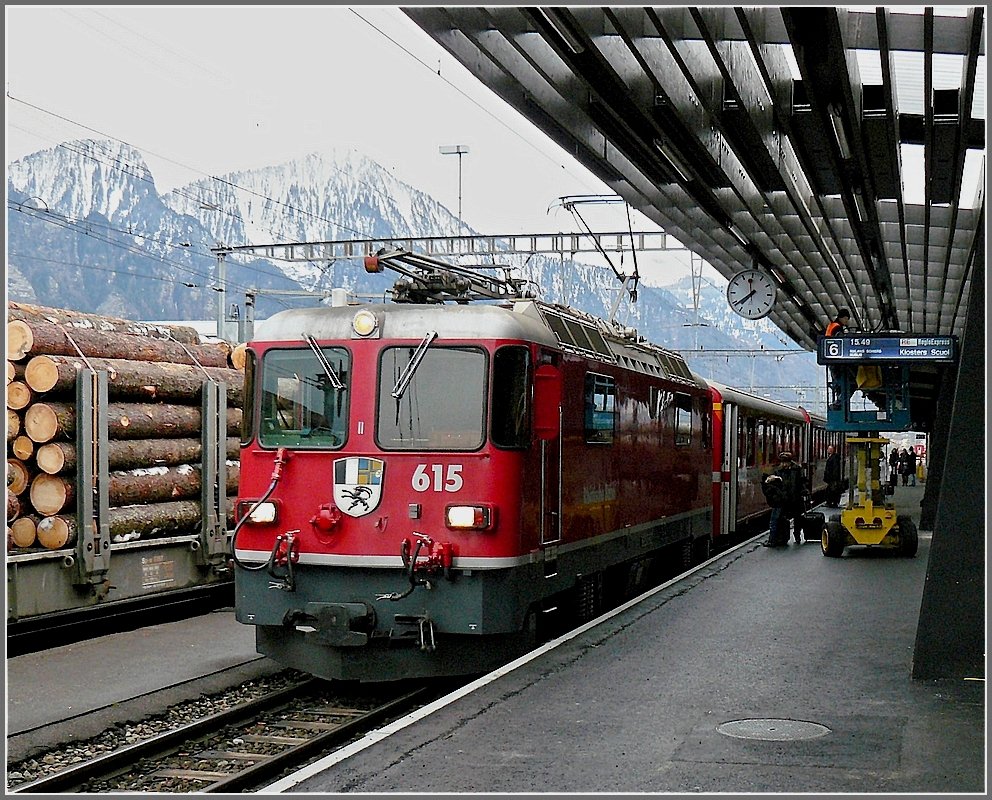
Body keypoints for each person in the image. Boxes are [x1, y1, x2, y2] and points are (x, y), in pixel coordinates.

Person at [761, 451, 807, 546]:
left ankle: (797, 536)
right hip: (783, 499)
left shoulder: (796, 470)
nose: (783, 464)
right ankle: (773, 540)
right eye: (782, 462)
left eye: (785, 462)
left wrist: (804, 492)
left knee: (795, 519)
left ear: (790, 462)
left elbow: (800, 483)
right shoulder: (779, 471)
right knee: (776, 519)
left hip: (794, 499)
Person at [825, 309, 852, 411]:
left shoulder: (831, 326)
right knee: (848, 383)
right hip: (836, 361)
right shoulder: (837, 328)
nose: (847, 322)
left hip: (830, 360)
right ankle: (838, 403)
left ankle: (838, 403)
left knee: (837, 384)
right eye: (846, 319)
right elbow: (841, 342)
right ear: (843, 317)